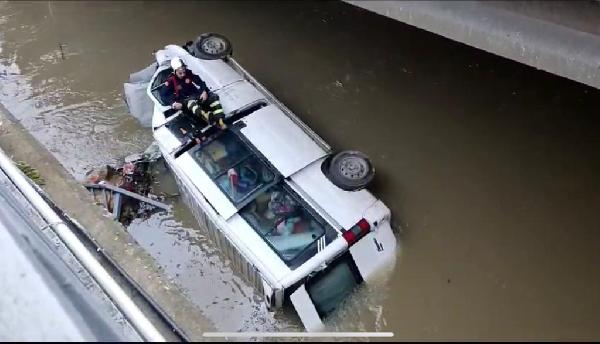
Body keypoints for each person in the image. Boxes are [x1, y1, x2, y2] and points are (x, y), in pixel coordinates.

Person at [160, 57, 227, 129]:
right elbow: (163, 95)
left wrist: (204, 91)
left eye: (184, 72)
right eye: (180, 73)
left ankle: (220, 120)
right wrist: (173, 103)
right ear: (174, 71)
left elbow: (200, 82)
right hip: (185, 100)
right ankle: (206, 116)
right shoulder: (170, 81)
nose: (183, 74)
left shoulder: (189, 73)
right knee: (191, 104)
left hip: (197, 95)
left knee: (213, 97)